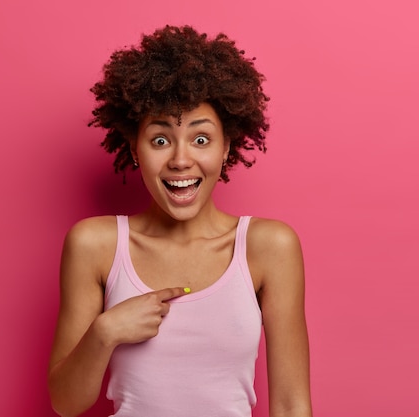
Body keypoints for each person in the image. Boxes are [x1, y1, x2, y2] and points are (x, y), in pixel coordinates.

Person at [48, 25, 312, 417]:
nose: (180, 160)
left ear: (227, 148)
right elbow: (66, 404)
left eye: (201, 139)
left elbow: (292, 404)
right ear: (134, 148)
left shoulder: (268, 246)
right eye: (160, 140)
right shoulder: (96, 244)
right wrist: (104, 333)